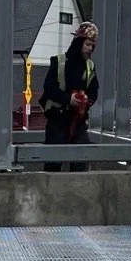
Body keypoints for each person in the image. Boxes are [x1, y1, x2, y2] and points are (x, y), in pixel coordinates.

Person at [41, 20, 99, 170]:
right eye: (87, 44)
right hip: (57, 119)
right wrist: (68, 100)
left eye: (92, 45)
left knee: (80, 160)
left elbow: (94, 91)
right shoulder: (59, 62)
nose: (90, 49)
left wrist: (86, 101)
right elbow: (49, 88)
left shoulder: (89, 66)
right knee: (53, 163)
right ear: (79, 43)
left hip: (78, 121)